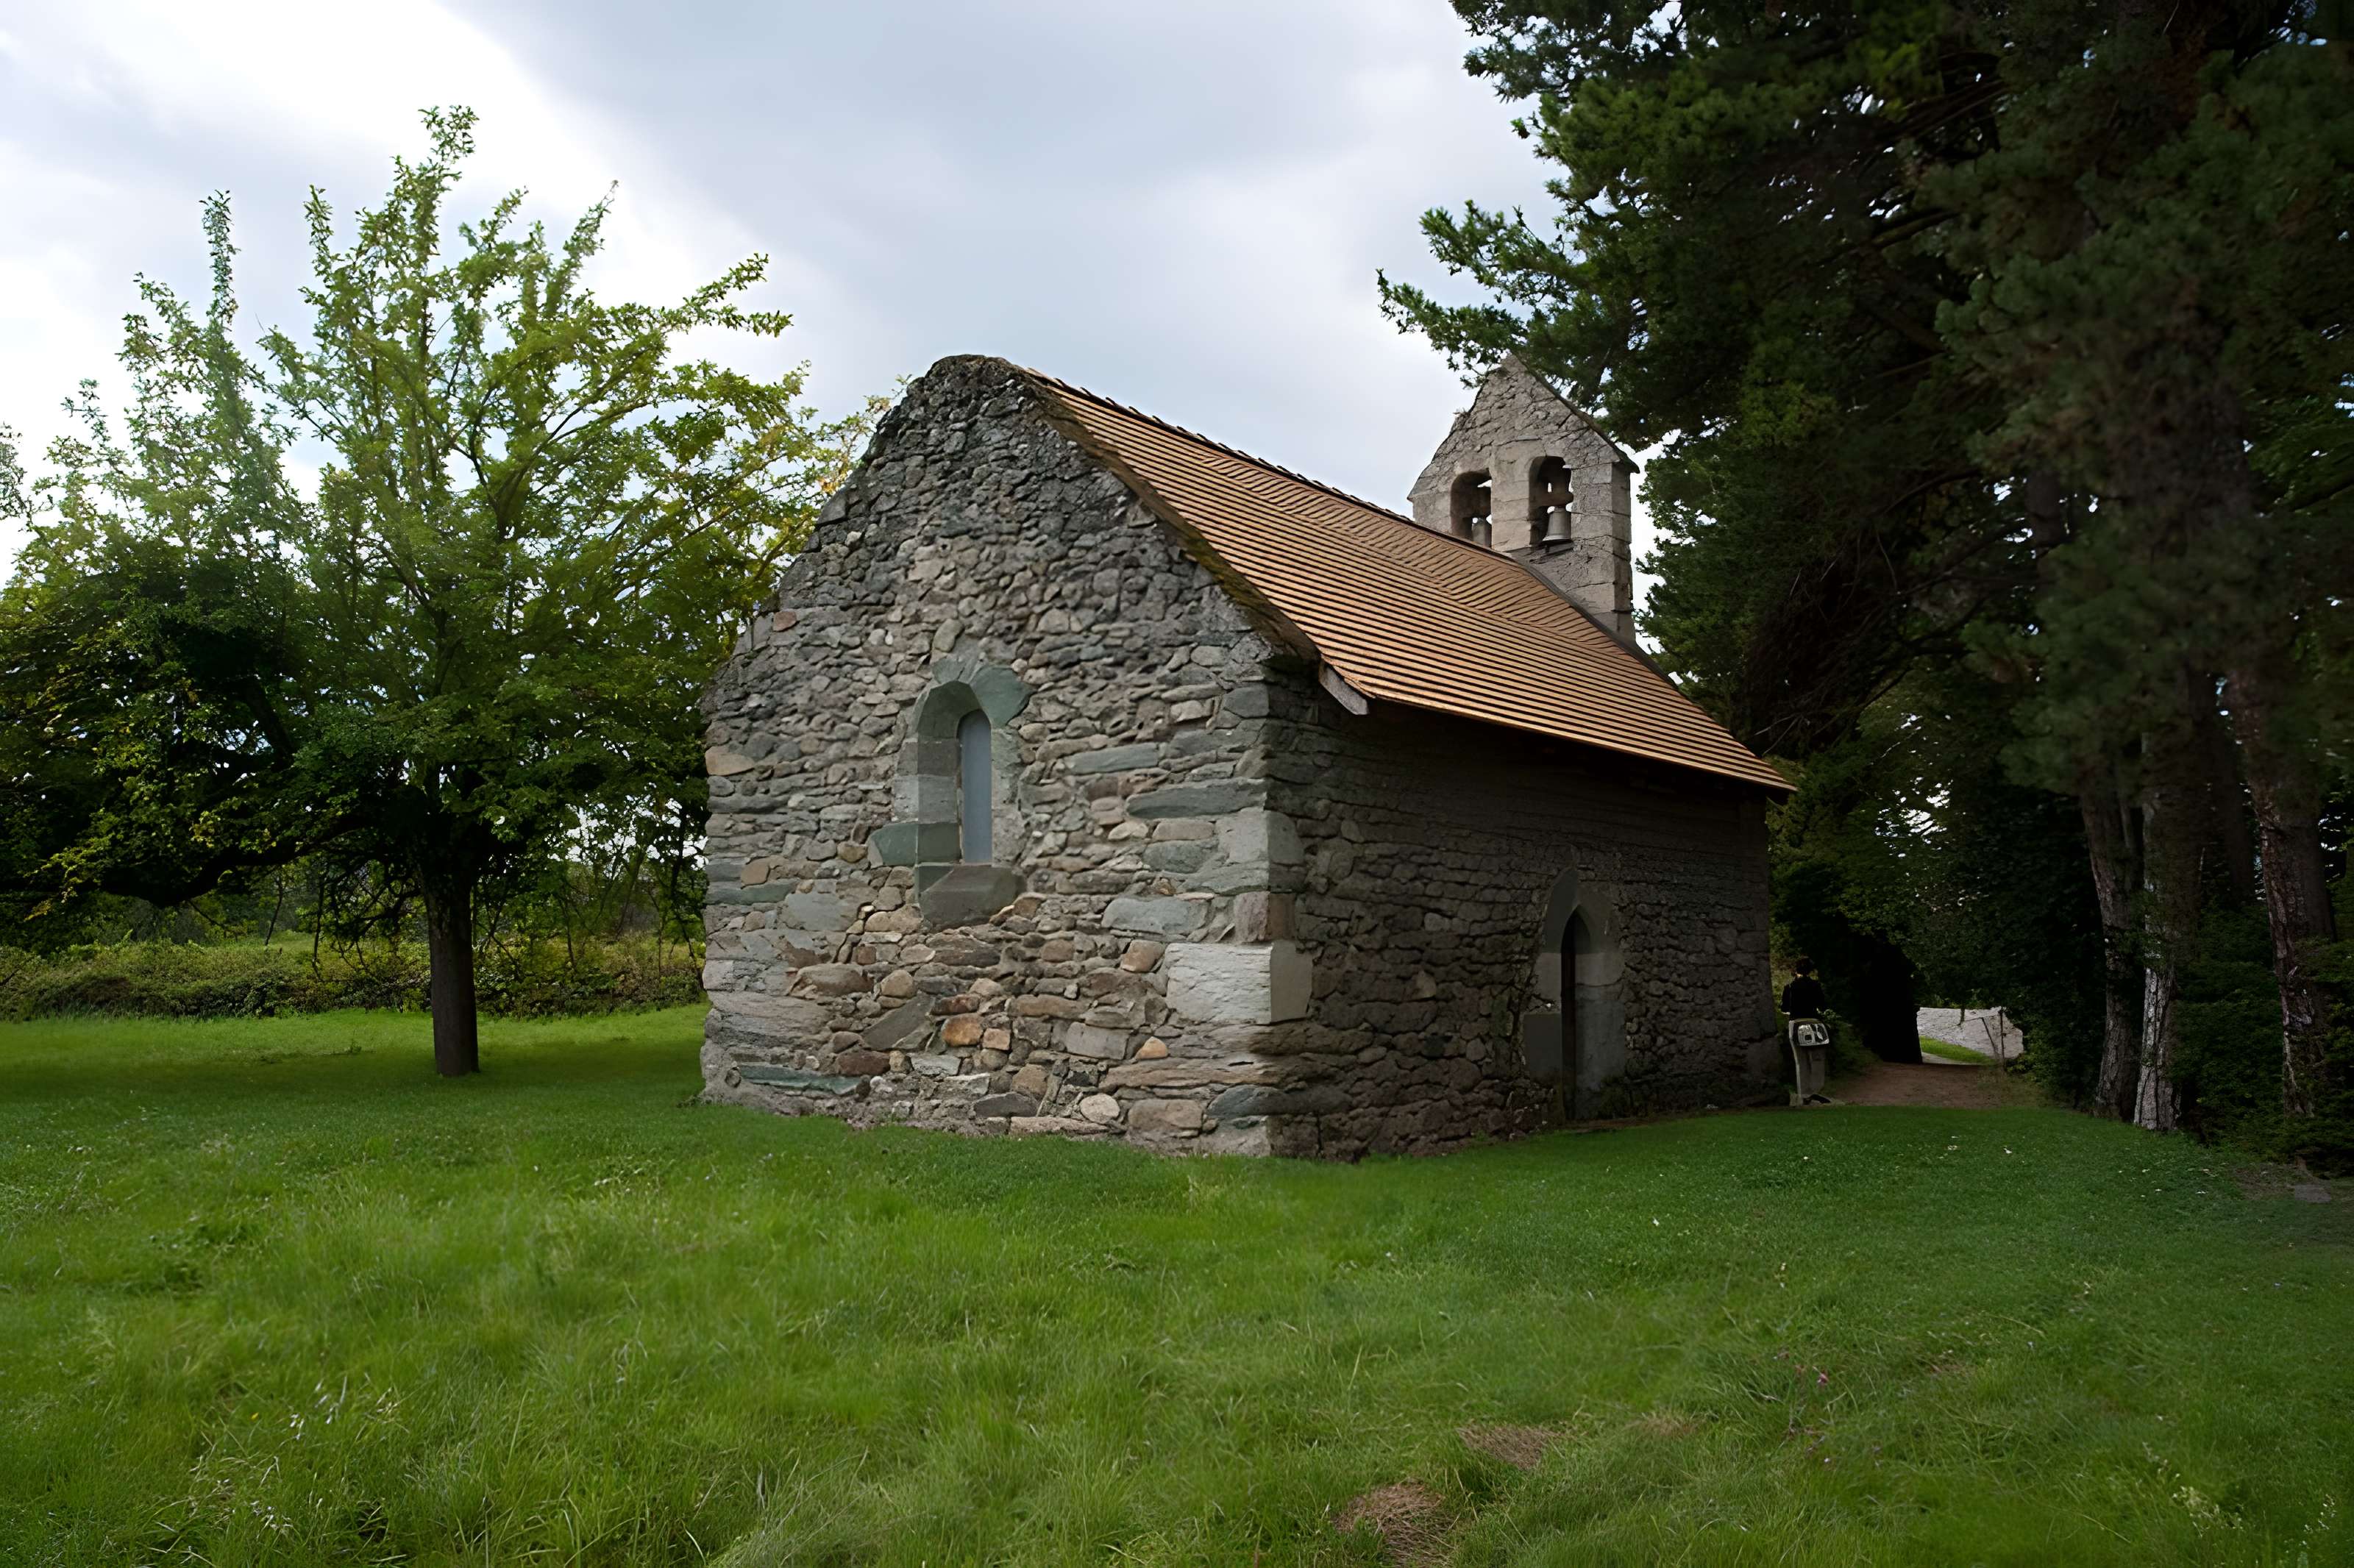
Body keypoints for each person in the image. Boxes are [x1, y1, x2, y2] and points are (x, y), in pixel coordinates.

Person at [1779, 958, 1832, 1106]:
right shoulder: (1815, 985)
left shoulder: (1789, 987)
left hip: (1796, 1023)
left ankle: (1804, 1093)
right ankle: (1816, 1089)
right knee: (1817, 1058)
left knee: (1800, 1060)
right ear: (1810, 971)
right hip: (1813, 1022)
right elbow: (1822, 1005)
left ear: (1795, 971)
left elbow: (1784, 1008)